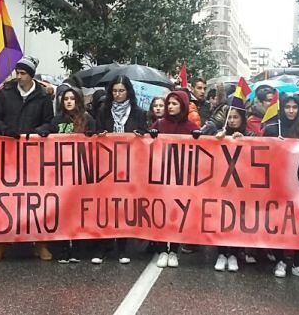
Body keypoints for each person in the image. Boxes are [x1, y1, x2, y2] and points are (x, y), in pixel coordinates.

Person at [0, 56, 54, 262]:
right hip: (8, 154)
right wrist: (5, 130)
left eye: (23, 73)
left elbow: (49, 122)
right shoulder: (5, 94)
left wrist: (39, 132)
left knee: (36, 199)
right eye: (17, 73)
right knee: (7, 198)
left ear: (31, 75)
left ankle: (40, 242)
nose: (18, 77)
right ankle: (2, 244)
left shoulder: (43, 96)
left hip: (34, 156)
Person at [93, 75, 148, 264]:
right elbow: (96, 132)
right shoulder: (103, 111)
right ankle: (104, 246)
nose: (118, 94)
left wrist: (140, 135)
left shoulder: (139, 112)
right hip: (107, 166)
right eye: (115, 91)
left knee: (124, 206)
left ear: (128, 92)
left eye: (121, 91)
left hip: (129, 167)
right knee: (106, 206)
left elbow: (145, 135)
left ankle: (123, 248)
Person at [263, 93, 299, 281]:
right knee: (280, 222)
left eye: (294, 107)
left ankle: (298, 263)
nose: (291, 111)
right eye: (287, 107)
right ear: (282, 108)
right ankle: (280, 260)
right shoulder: (271, 129)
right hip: (277, 183)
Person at [149, 90, 199, 268]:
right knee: (162, 212)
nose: (170, 107)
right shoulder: (160, 123)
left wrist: (198, 138)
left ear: (183, 106)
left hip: (181, 178)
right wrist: (151, 135)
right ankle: (163, 249)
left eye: (174, 103)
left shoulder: (191, 127)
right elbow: (145, 145)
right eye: (169, 103)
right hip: (161, 177)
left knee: (177, 213)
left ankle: (174, 251)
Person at [50, 86, 96, 264]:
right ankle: (62, 248)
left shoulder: (87, 120)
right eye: (65, 99)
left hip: (81, 173)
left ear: (78, 101)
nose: (69, 101)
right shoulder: (56, 121)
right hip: (60, 173)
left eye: (72, 98)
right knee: (62, 210)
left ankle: (76, 248)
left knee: (78, 211)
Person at [213, 107, 256, 272]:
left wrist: (245, 141)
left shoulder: (250, 135)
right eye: (229, 117)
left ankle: (234, 255)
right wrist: (217, 139)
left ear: (242, 119)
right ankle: (221, 253)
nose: (231, 120)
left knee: (238, 220)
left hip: (242, 185)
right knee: (222, 219)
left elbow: (259, 151)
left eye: (235, 117)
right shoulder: (220, 133)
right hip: (223, 184)